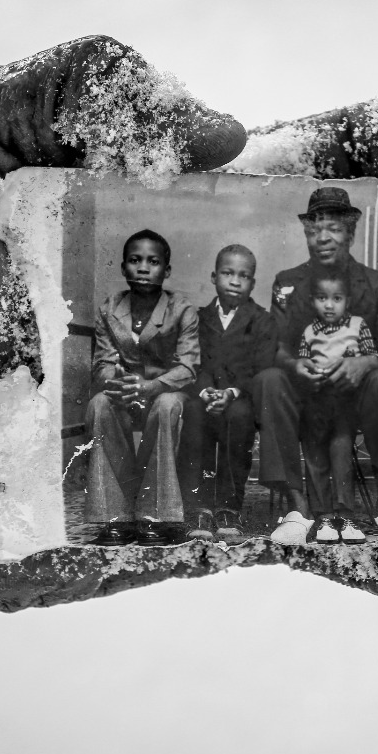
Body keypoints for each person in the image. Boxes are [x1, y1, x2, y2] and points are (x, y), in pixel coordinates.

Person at [252, 186, 378, 545]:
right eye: (315, 229)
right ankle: (297, 507)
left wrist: (366, 361)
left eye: (335, 228)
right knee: (269, 379)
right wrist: (295, 365)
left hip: (358, 400)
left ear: (351, 232)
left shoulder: (376, 283)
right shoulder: (288, 283)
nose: (323, 237)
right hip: (305, 394)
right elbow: (275, 349)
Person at [85, 229, 200, 546]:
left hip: (165, 389)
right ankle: (116, 518)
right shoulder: (110, 308)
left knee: (167, 407)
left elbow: (188, 366)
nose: (144, 268)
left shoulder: (181, 308)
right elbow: (102, 364)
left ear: (167, 270)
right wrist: (117, 383)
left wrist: (149, 386)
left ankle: (156, 517)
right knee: (98, 405)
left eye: (154, 261)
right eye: (135, 260)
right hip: (124, 391)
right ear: (123, 268)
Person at [179, 245, 276, 542]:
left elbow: (261, 365)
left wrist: (232, 393)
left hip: (241, 398)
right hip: (205, 395)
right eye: (228, 273)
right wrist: (207, 390)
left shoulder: (261, 319)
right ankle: (198, 507)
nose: (235, 281)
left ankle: (228, 508)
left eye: (244, 276)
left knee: (241, 416)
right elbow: (194, 360)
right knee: (194, 413)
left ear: (253, 283)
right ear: (213, 277)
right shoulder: (198, 317)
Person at [296, 267, 378, 544]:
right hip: (317, 400)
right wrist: (310, 376)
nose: (329, 305)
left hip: (345, 401)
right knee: (314, 450)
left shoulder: (357, 325)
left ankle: (346, 514)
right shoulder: (309, 331)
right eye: (322, 298)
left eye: (337, 298)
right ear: (312, 301)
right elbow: (303, 365)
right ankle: (324, 517)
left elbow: (370, 361)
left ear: (347, 300)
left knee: (341, 447)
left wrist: (355, 359)